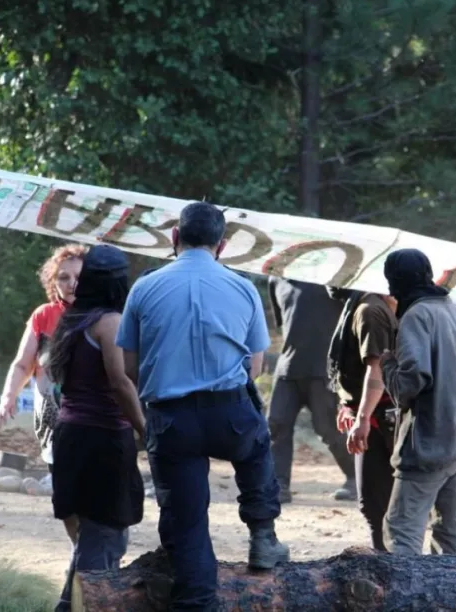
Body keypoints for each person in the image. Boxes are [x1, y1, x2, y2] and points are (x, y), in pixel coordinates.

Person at [116, 202, 288, 611]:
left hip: (171, 418)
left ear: (174, 239)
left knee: (187, 522)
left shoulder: (144, 287)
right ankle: (262, 534)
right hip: (228, 411)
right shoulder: (243, 287)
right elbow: (255, 366)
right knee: (257, 445)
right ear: (222, 245)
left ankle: (197, 601)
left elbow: (128, 366)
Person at [46, 245, 146, 612]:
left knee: (89, 541)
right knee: (103, 545)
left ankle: (65, 606)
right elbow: (121, 384)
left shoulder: (72, 319)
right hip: (103, 440)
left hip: (70, 437)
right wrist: (145, 431)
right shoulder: (110, 323)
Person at [378, 249, 456, 556]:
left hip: (430, 439)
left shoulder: (416, 315)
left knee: (401, 530)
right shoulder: (451, 309)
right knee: (451, 533)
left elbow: (412, 380)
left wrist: (387, 365)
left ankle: (403, 598)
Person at [0, 244, 87, 476]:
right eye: (63, 277)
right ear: (53, 283)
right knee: (65, 498)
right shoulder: (44, 315)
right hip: (53, 424)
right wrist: (8, 397)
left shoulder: (105, 316)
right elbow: (23, 364)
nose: (71, 283)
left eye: (79, 276)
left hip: (93, 421)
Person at [266, 277, 356, 503]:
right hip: (288, 366)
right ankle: (278, 486)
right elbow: (285, 322)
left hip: (323, 367)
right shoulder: (276, 279)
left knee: (329, 428)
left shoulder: (334, 275)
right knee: (276, 425)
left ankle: (356, 478)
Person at [328, 284, 398, 552]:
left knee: (376, 503)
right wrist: (348, 403)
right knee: (375, 503)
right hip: (373, 412)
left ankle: (388, 565)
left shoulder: (370, 310)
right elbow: (354, 367)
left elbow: (376, 369)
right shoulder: (364, 306)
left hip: (382, 418)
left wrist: (363, 417)